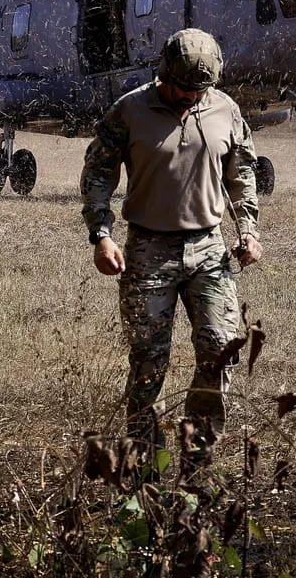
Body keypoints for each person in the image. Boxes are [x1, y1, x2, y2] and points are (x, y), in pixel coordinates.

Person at [80, 28, 262, 452]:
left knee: (221, 349)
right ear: (164, 73)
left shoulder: (226, 110)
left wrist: (248, 231)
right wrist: (102, 236)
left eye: (201, 89)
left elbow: (243, 175)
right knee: (149, 360)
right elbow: (98, 174)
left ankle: (197, 448)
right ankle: (144, 456)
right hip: (148, 251)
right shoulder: (129, 111)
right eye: (183, 87)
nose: (191, 97)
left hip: (209, 249)